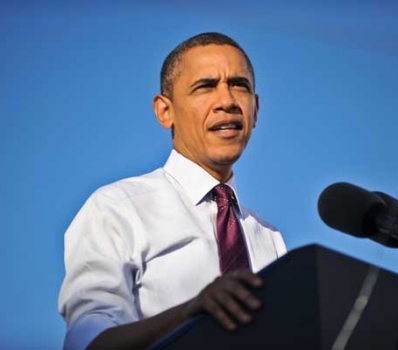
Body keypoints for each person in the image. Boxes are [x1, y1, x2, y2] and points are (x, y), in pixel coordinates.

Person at [58, 32, 286, 350]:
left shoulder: (269, 237)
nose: (227, 101)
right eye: (205, 86)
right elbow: (90, 343)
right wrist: (191, 313)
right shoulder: (117, 210)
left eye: (240, 85)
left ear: (256, 110)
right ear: (165, 111)